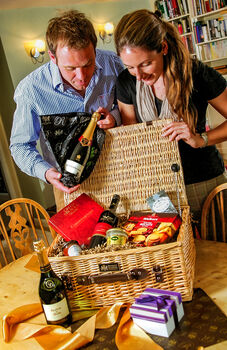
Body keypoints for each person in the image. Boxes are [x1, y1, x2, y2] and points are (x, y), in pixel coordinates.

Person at [114, 9, 227, 230]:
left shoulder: (196, 74)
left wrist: (200, 139)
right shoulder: (125, 83)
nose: (138, 75)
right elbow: (132, 137)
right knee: (176, 255)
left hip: (203, 181)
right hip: (157, 189)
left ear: (163, 48)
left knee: (219, 255)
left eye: (146, 64)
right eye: (129, 67)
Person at [10, 10, 124, 210]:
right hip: (69, 188)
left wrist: (115, 116)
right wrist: (46, 173)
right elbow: (20, 146)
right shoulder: (31, 90)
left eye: (88, 63)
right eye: (71, 68)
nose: (82, 76)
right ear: (53, 58)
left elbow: (132, 106)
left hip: (119, 173)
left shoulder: (114, 64)